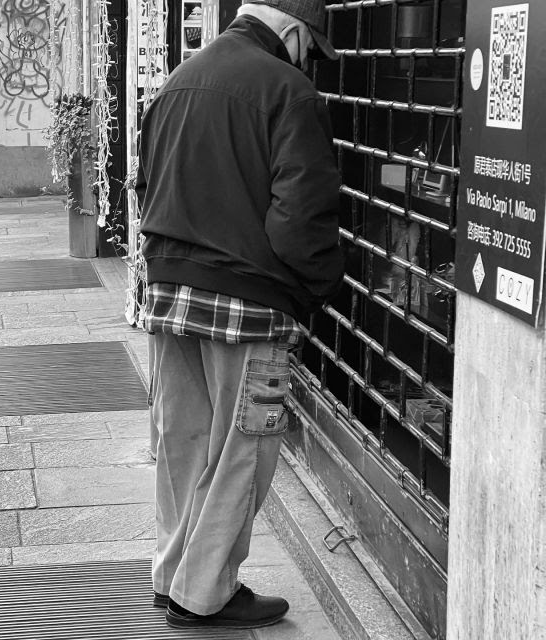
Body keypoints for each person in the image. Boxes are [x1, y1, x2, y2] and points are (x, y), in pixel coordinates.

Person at [136, 0, 344, 630]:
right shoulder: (291, 93)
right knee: (242, 452)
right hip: (250, 305)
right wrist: (315, 291)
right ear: (291, 29)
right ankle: (206, 595)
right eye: (312, 45)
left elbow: (146, 183)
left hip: (171, 293)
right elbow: (299, 223)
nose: (311, 61)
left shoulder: (178, 79)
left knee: (184, 446)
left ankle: (174, 576)